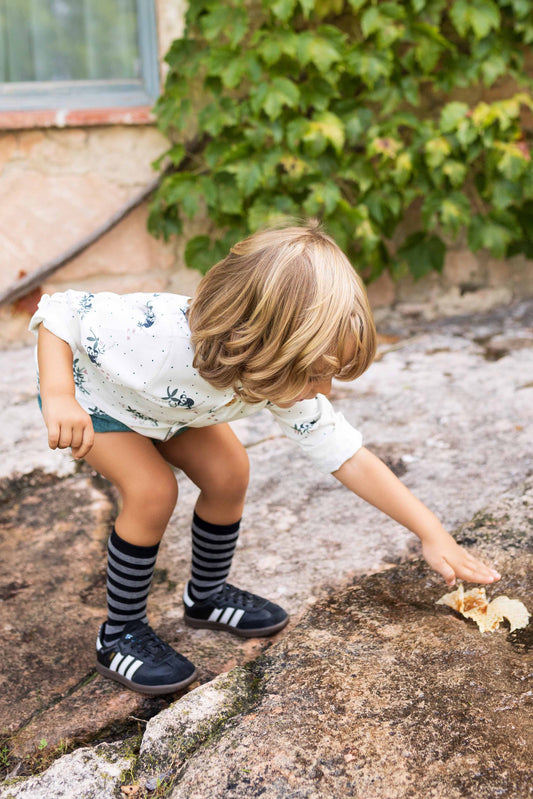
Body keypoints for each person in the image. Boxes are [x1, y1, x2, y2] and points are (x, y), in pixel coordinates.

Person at [30, 222, 500, 696]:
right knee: (153, 491)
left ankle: (206, 598)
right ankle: (120, 634)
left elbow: (349, 456)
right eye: (317, 373)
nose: (324, 391)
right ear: (261, 344)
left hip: (170, 410)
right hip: (100, 406)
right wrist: (58, 395)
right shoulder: (151, 334)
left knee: (229, 472)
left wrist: (431, 531)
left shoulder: (273, 370)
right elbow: (59, 313)